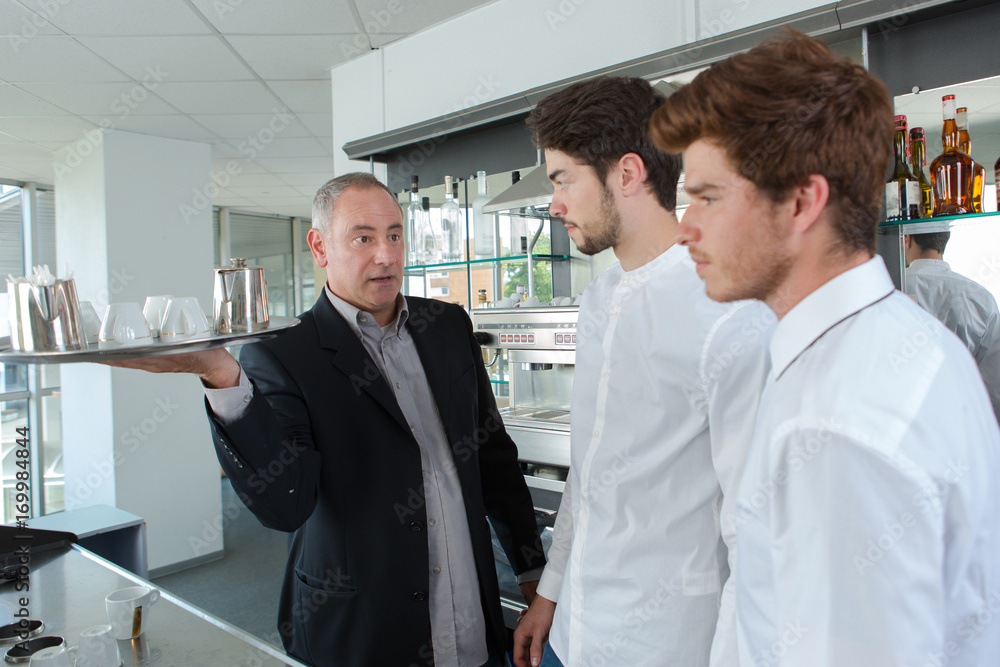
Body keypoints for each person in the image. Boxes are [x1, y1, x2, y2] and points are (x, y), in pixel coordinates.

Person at [650, 30, 1000, 666]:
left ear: (803, 202)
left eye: (707, 197)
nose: (684, 229)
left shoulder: (838, 422)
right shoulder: (899, 343)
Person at [115, 172, 545, 667]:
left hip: (470, 618)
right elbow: (286, 503)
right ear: (319, 248)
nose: (386, 255)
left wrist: (531, 570)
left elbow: (492, 458)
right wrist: (222, 376)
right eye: (363, 238)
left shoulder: (446, 327)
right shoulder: (282, 351)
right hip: (363, 630)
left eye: (394, 235)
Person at [512, 76, 773, 667]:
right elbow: (589, 469)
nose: (554, 204)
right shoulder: (599, 299)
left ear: (627, 175)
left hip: (665, 642)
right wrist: (550, 594)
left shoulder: (727, 312)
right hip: (575, 630)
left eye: (562, 180)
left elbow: (756, 525)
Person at [904, 231, 1000, 419]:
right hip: (964, 424)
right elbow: (994, 387)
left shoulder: (893, 286)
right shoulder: (981, 298)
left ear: (906, 239)